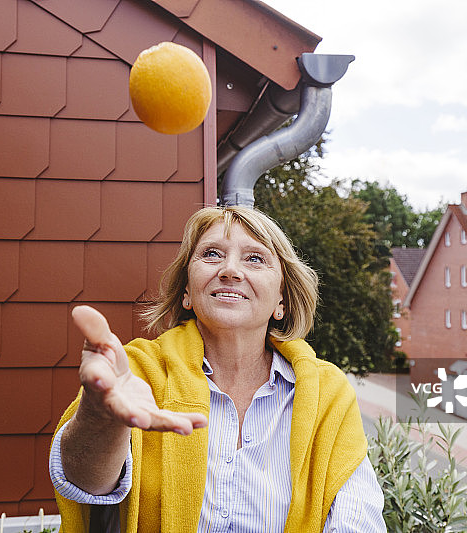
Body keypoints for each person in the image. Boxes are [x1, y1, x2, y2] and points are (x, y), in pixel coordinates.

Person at [49, 206, 386, 532]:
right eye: (211, 254)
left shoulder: (327, 394)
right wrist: (101, 417)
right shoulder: (136, 372)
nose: (230, 270)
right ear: (187, 293)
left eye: (255, 258)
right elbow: (84, 483)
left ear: (280, 300)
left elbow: (356, 518)